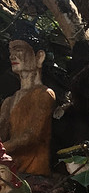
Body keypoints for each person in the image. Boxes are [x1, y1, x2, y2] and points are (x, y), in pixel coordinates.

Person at [0, 32, 56, 177]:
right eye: (10, 52)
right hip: (9, 170)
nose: (12, 56)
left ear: (39, 57)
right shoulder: (9, 101)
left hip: (33, 172)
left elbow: (30, 137)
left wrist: (1, 149)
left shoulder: (44, 94)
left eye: (18, 50)